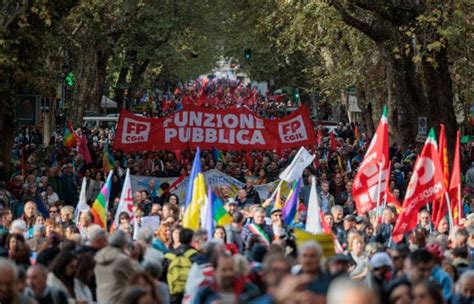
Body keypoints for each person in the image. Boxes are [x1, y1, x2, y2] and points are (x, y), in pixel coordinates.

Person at [94, 230, 139, 303]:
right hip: (119, 300)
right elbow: (139, 277)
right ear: (125, 244)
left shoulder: (99, 256)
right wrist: (134, 259)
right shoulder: (123, 260)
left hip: (102, 299)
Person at [194, 254, 260, 303]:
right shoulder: (204, 292)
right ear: (215, 272)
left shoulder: (249, 289)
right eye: (224, 270)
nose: (229, 273)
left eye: (231, 269)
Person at [163, 228, 197, 304]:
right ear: (192, 239)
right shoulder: (196, 256)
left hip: (172, 295)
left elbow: (162, 277)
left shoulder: (169, 256)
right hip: (191, 295)